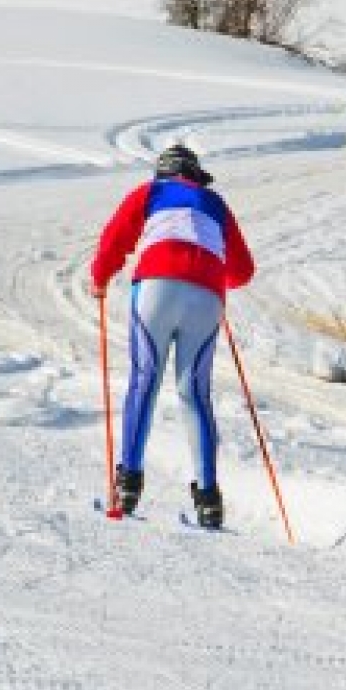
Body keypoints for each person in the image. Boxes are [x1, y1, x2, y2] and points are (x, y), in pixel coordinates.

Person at [91, 143, 255, 530]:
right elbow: (244, 270)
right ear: (196, 175)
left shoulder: (151, 192)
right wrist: (218, 278)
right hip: (207, 295)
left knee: (144, 380)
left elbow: (116, 237)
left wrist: (100, 277)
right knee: (194, 393)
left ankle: (127, 486)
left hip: (157, 285)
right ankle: (209, 499)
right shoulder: (215, 202)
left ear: (163, 172)